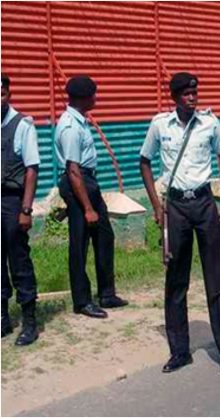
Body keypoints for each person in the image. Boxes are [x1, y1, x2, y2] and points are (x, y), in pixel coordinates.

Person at [140, 72, 220, 374]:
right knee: (176, 281)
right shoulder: (160, 125)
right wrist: (157, 206)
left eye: (195, 93)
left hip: (205, 203)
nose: (192, 98)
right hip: (176, 207)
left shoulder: (210, 122)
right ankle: (179, 351)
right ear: (175, 97)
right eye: (186, 94)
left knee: (216, 277)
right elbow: (144, 160)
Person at [54, 75, 128, 319]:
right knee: (80, 243)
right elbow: (73, 170)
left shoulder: (81, 121)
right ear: (82, 98)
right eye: (93, 94)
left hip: (88, 182)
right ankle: (82, 301)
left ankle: (107, 293)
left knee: (105, 236)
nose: (96, 98)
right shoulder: (70, 127)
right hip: (79, 182)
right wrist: (87, 208)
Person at [1, 73, 40, 346]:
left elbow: (32, 169)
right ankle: (3, 319)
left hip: (13, 201)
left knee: (19, 260)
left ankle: (29, 322)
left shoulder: (23, 125)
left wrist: (26, 209)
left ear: (9, 94)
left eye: (1, 93)